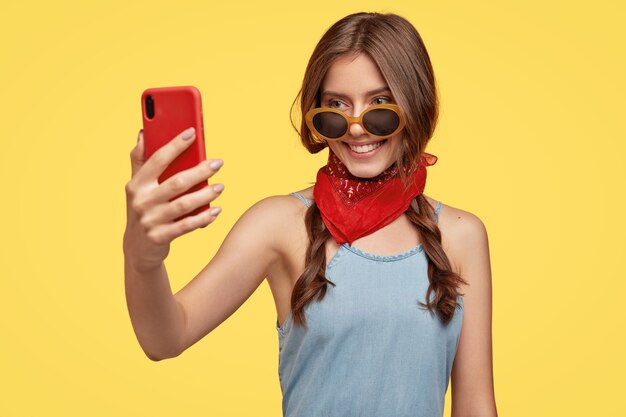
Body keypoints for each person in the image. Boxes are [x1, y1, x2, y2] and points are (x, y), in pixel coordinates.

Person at [124, 11, 498, 417]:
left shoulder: (460, 235)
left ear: (416, 104)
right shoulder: (278, 225)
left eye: (380, 104)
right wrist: (143, 257)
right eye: (337, 106)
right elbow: (165, 339)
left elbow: (476, 405)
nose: (356, 127)